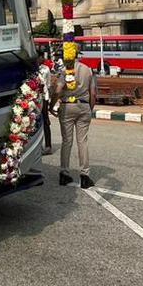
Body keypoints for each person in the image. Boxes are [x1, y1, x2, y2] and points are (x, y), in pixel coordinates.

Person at [53, 55, 96, 188]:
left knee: (67, 141)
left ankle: (64, 173)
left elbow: (58, 90)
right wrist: (89, 108)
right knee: (82, 141)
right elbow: (93, 93)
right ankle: (85, 175)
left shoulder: (65, 70)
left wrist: (51, 106)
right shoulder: (88, 70)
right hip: (84, 106)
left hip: (67, 107)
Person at [38, 58, 54, 154]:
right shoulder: (31, 69)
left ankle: (48, 146)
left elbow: (48, 84)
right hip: (32, 97)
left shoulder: (46, 69)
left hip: (44, 97)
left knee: (45, 120)